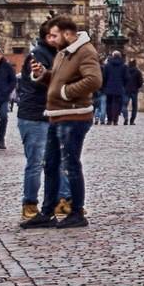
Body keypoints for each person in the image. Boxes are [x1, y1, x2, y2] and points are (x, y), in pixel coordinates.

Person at [43, 16, 101, 227]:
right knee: (50, 165)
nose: (51, 39)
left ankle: (77, 212)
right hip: (57, 114)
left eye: (55, 35)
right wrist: (42, 75)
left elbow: (94, 80)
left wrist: (66, 93)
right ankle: (47, 211)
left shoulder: (85, 51)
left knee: (70, 165)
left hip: (74, 116)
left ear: (67, 34)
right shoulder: (63, 53)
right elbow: (59, 80)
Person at [15, 26, 63, 228]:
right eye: (54, 35)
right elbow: (38, 84)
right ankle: (29, 204)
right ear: (47, 37)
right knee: (36, 162)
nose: (58, 38)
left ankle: (62, 200)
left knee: (56, 161)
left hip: (49, 112)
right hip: (34, 114)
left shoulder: (57, 54)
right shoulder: (38, 55)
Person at [99, 50, 126, 125]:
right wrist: (123, 83)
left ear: (112, 56)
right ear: (120, 56)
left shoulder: (108, 65)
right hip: (119, 86)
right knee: (118, 103)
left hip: (109, 86)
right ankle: (115, 119)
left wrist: (104, 85)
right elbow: (126, 77)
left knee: (109, 103)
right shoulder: (123, 65)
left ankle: (110, 119)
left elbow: (104, 76)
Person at [123, 56, 142, 124]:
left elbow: (123, 80)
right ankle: (132, 120)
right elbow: (140, 82)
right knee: (134, 106)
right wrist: (137, 87)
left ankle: (125, 117)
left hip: (126, 90)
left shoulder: (125, 71)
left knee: (124, 105)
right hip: (134, 90)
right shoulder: (137, 72)